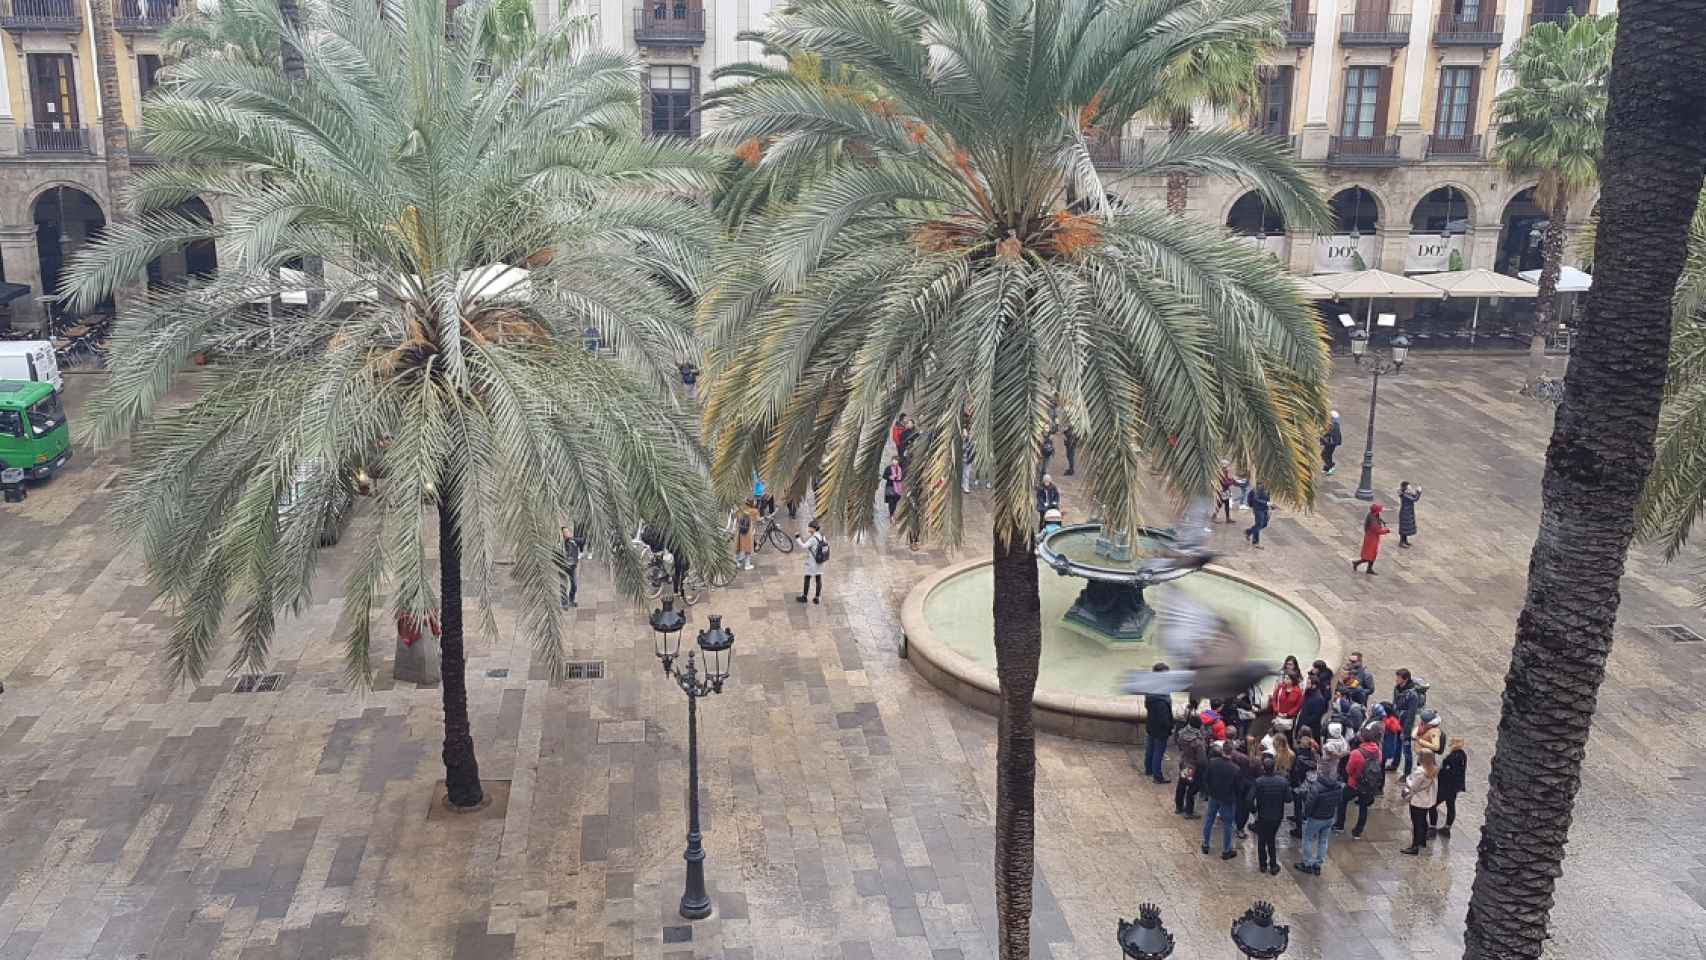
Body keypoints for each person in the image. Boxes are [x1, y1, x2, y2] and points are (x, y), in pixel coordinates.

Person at [1295, 765, 1342, 875]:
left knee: (1308, 839)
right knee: (1323, 840)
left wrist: (1306, 815)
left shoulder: (1316, 787)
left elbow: (1309, 804)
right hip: (1329, 817)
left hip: (1316, 818)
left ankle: (1307, 863)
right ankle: (1318, 865)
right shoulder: (1338, 786)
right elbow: (1339, 801)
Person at [1199, 742, 1241, 860]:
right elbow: (1238, 787)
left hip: (1214, 796)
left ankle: (1206, 844)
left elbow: (1205, 778)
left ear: (1223, 750)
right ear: (1231, 752)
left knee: (1209, 819)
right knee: (1228, 824)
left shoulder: (1212, 762)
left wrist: (1209, 791)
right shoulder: (1235, 769)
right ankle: (1226, 850)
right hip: (1227, 799)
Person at [1339, 731, 1384, 838]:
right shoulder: (1378, 751)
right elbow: (1379, 764)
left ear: (1362, 739)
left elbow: (1349, 770)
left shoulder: (1356, 753)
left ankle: (1339, 825)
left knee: (1342, 800)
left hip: (1354, 784)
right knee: (1363, 807)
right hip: (1369, 785)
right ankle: (1358, 832)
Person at [1249, 755, 1290, 875]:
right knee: (1271, 839)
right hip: (1277, 816)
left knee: (1262, 840)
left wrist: (1254, 811)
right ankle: (1273, 864)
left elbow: (1249, 799)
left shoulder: (1259, 782)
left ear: (1263, 768)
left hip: (1262, 815)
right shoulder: (1283, 782)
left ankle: (1263, 865)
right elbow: (1288, 799)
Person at [1401, 749, 1440, 855]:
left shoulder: (1420, 771)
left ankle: (1415, 846)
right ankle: (1422, 841)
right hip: (1427, 800)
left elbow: (1413, 786)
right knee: (1422, 821)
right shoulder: (1434, 769)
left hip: (1418, 800)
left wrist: (1408, 779)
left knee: (1416, 823)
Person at [1142, 666, 1174, 784]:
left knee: (1150, 748)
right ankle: (1157, 777)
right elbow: (1164, 719)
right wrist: (1170, 727)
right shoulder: (1161, 697)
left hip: (1151, 724)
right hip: (1161, 730)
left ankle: (1148, 770)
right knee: (1158, 752)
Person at [1431, 737, 1468, 837]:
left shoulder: (1452, 758)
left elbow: (1446, 772)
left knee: (1432, 805)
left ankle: (1432, 827)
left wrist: (1439, 772)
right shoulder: (1463, 755)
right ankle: (1447, 828)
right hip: (1455, 787)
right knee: (1451, 806)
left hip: (1447, 787)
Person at [1173, 714, 1207, 817]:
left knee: (1182, 785)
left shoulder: (1182, 733)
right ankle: (1189, 811)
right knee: (1192, 789)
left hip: (1185, 763)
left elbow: (1178, 744)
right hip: (1193, 766)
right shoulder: (1197, 742)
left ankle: (1179, 807)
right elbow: (1202, 760)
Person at [1390, 669, 1423, 773]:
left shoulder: (1413, 695)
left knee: (1406, 750)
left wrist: (1406, 731)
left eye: (1398, 678)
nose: (1396, 680)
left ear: (1405, 679)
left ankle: (1407, 773)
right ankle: (1394, 764)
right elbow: (1394, 703)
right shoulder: (1397, 688)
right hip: (1398, 722)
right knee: (1397, 745)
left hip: (1406, 725)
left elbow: (1411, 714)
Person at [1351, 503, 1390, 574]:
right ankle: (1359, 564)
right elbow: (1377, 530)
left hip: (1371, 538)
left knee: (1371, 555)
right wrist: (1386, 531)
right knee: (1370, 555)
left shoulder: (1372, 515)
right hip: (1372, 539)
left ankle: (1367, 567)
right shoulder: (1373, 521)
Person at [796, 520, 826, 604]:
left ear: (813, 528)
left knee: (807, 577)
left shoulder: (813, 539)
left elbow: (803, 546)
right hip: (820, 561)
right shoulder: (822, 536)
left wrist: (797, 538)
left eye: (809, 527)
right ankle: (817, 598)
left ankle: (804, 597)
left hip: (812, 562)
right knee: (818, 578)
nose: (808, 528)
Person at [1243, 482, 1271, 548]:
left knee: (1264, 524)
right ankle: (1255, 542)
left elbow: (1268, 499)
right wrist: (1266, 503)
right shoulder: (1257, 488)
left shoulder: (1268, 488)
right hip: (1258, 509)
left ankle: (1249, 532)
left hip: (1264, 509)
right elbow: (1256, 499)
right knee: (1259, 525)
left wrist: (1269, 508)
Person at [559, 526, 581, 609]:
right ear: (562, 534)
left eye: (568, 532)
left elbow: (576, 553)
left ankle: (571, 601)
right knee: (563, 586)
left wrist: (575, 562)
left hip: (572, 567)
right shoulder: (560, 545)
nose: (567, 533)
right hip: (562, 567)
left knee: (574, 585)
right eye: (565, 532)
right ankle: (564, 604)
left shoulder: (573, 542)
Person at [734, 499, 759, 571]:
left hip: (740, 531)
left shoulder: (740, 511)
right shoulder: (754, 511)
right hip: (748, 532)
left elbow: (737, 518)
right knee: (748, 548)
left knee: (739, 547)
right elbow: (758, 520)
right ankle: (747, 565)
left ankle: (738, 562)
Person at [1397, 481, 1422, 548]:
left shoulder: (1407, 493)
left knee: (1406, 528)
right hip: (1405, 513)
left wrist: (1416, 492)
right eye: (1409, 488)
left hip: (1408, 512)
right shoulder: (1405, 495)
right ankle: (1402, 542)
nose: (1410, 489)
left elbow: (1413, 495)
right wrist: (1419, 492)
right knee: (1404, 528)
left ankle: (1405, 541)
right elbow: (1415, 499)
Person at [961, 426, 976, 493]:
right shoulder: (963, 441)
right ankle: (963, 485)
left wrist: (970, 460)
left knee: (966, 473)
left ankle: (966, 487)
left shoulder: (972, 442)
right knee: (963, 473)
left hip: (968, 460)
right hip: (962, 459)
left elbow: (973, 452)